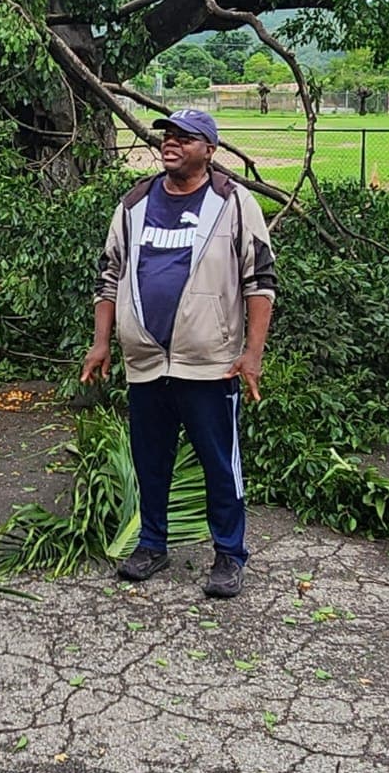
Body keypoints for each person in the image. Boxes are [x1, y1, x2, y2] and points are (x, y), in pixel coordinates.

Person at [80, 108, 276, 598]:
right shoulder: (135, 203)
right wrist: (102, 343)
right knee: (150, 462)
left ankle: (229, 554)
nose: (171, 143)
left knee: (219, 463)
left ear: (209, 150)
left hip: (210, 364)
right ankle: (152, 544)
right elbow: (109, 276)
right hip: (146, 362)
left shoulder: (233, 203)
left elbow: (260, 281)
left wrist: (252, 353)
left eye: (185, 137)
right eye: (167, 135)